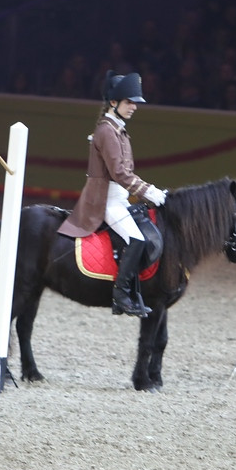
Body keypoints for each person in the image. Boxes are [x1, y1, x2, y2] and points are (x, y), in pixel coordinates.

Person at [58, 71, 166, 317]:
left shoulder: (118, 130)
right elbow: (119, 173)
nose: (134, 107)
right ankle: (120, 295)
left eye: (135, 102)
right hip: (105, 201)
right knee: (137, 240)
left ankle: (134, 292)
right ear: (114, 102)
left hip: (119, 199)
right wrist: (150, 191)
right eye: (130, 102)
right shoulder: (107, 131)